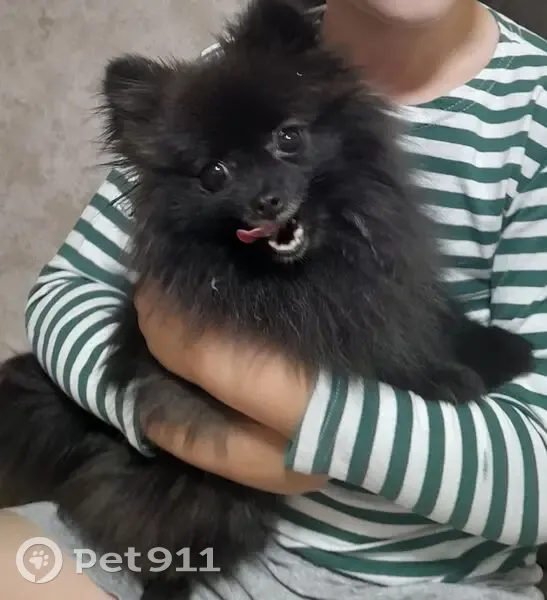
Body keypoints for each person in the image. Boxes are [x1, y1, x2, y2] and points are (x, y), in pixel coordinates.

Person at [3, 0, 547, 598]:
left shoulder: (532, 117)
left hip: (431, 579)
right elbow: (61, 294)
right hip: (195, 541)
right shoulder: (221, 71)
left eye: (287, 139)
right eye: (217, 176)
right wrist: (177, 424)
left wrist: (298, 414)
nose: (264, 193)